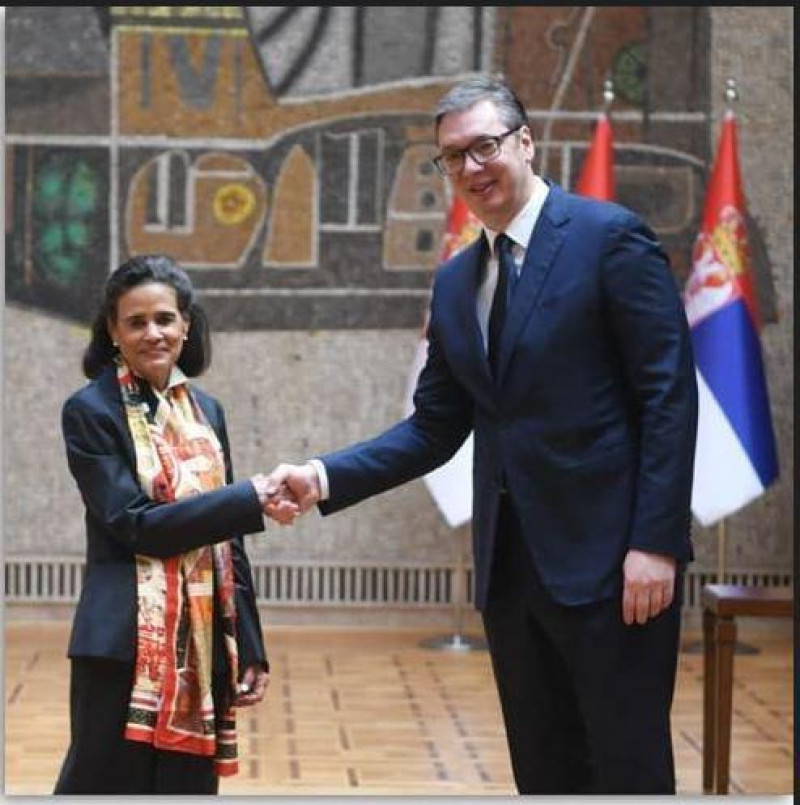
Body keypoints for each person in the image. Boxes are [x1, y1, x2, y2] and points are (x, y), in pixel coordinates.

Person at [267, 76, 699, 794]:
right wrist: (322, 476)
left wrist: (655, 543)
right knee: (545, 772)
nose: (470, 167)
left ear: (525, 142)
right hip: (510, 576)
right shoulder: (456, 280)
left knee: (627, 770)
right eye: (452, 156)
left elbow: (668, 397)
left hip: (613, 568)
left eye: (485, 146)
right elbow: (435, 427)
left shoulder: (608, 239)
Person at [54, 254, 294, 795]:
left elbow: (228, 542)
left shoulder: (207, 410)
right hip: (122, 644)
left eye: (164, 319)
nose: (153, 333)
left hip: (204, 642)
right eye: (136, 322)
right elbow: (135, 523)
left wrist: (250, 644)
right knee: (99, 787)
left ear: (186, 324)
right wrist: (248, 498)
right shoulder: (90, 411)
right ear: (113, 331)